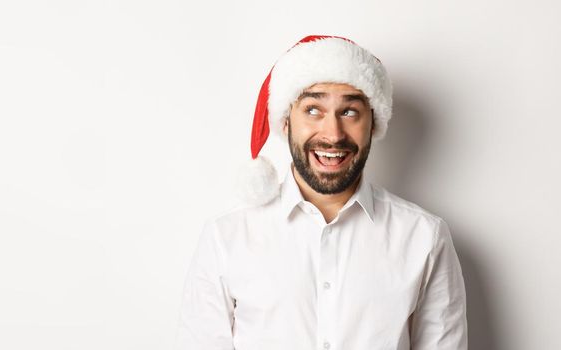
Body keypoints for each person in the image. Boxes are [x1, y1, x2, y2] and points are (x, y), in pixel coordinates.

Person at [174, 35, 468, 350]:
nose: (333, 134)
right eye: (313, 110)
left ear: (373, 124)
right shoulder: (226, 238)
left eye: (350, 112)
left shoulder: (424, 237)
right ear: (286, 122)